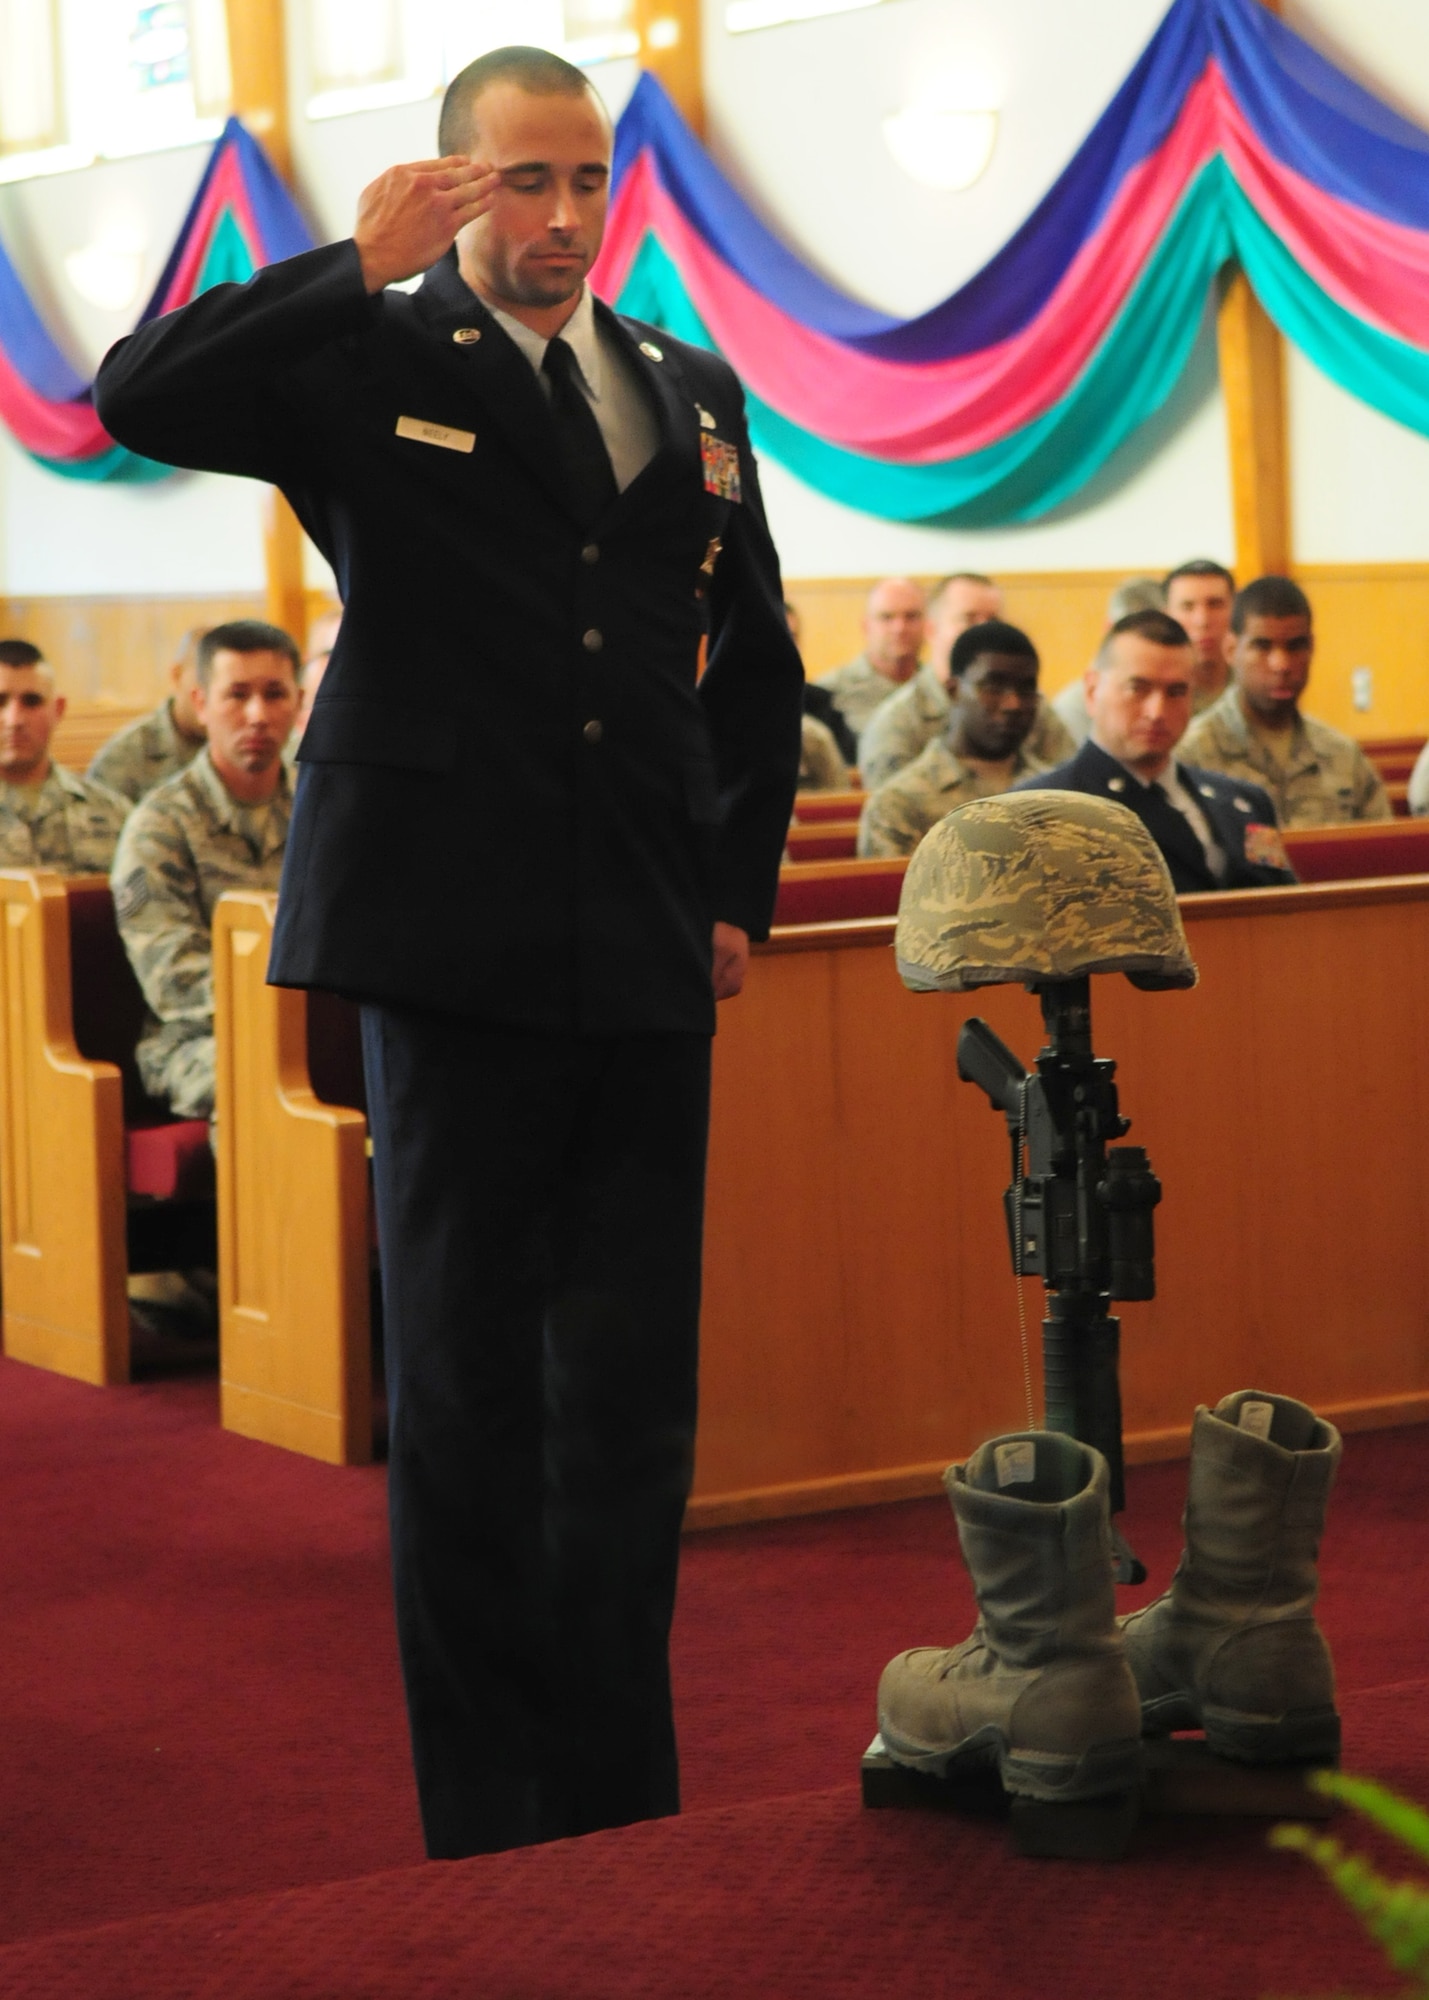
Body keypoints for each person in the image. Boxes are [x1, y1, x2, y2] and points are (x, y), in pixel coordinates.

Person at [95, 46, 802, 1861]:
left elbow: (756, 663)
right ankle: (489, 1823)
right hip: (446, 933)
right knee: (473, 1395)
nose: (560, 222)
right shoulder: (369, 357)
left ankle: (620, 1799)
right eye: (520, 185)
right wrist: (351, 261)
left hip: (644, 940)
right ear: (449, 182)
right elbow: (135, 393)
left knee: (634, 1397)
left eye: (584, 185)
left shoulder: (689, 387)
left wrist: (732, 890)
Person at [110, 621, 300, 1120]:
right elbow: (175, 979)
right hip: (195, 1041)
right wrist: (290, 1018)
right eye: (237, 695)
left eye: (274, 694)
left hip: (313, 1024)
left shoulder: (323, 809)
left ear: (298, 702)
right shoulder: (159, 825)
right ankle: (264, 1201)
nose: (257, 715)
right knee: (258, 1077)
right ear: (201, 703)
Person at [1017, 609, 1297, 891]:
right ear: (1092, 691)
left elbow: (1284, 909)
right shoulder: (1041, 812)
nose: (1157, 712)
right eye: (1138, 688)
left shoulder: (1245, 804)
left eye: (1176, 692)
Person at [1182, 576, 1390, 826]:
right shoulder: (1192, 755)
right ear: (1230, 650)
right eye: (1262, 646)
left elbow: (1381, 852)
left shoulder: (1342, 755)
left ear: (1311, 648)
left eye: (1295, 646)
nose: (1281, 664)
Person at [859, 573, 1070, 788]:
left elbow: (1069, 783)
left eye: (992, 620)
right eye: (969, 619)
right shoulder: (898, 721)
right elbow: (892, 803)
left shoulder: (1034, 708)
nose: (984, 630)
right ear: (931, 629)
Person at [857, 620, 1045, 858]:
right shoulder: (900, 803)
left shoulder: (1053, 792)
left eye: (1026, 689)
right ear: (953, 690)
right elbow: (892, 892)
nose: (1013, 704)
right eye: (994, 687)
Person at [0, 639, 128, 872]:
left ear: (57, 709)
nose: (14, 719)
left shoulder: (113, 813)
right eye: (0, 702)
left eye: (31, 701)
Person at [88, 627, 208, 803]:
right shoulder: (125, 758)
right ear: (177, 675)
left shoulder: (243, 748)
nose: (211, 698)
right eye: (205, 682)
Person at [1050, 575, 1165, 748]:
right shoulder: (1071, 708)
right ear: (1108, 630)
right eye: (1133, 638)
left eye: (1157, 639)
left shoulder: (1175, 692)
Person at [814, 575, 924, 747]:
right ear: (866, 626)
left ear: (927, 623)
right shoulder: (829, 694)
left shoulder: (942, 687)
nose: (900, 628)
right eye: (886, 617)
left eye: (911, 616)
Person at [1164, 558, 1235, 714]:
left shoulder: (1253, 685)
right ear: (1167, 616)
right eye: (1187, 607)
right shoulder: (1158, 694)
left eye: (1215, 604)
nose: (1202, 621)